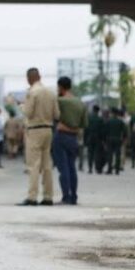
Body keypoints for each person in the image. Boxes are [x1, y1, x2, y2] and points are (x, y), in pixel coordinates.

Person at [19, 68, 60, 206]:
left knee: (34, 165)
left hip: (34, 130)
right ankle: (48, 196)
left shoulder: (32, 92)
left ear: (28, 78)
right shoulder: (51, 92)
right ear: (39, 76)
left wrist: (22, 106)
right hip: (48, 130)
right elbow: (57, 115)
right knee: (47, 164)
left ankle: (32, 197)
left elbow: (28, 113)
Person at [54, 77, 87, 206]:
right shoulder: (80, 103)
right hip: (73, 138)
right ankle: (74, 197)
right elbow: (84, 124)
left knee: (63, 168)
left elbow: (54, 115)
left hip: (61, 136)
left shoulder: (60, 101)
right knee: (72, 167)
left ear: (60, 87)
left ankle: (66, 197)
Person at [103, 108, 127, 175]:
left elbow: (105, 131)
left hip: (109, 139)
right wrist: (124, 139)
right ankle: (117, 170)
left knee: (110, 155)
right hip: (118, 139)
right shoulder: (120, 122)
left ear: (112, 113)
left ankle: (109, 170)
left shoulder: (108, 121)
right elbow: (125, 131)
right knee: (118, 155)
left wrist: (104, 141)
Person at [84, 105, 103, 174]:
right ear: (98, 111)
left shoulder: (89, 118)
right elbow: (102, 130)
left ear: (93, 110)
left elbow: (86, 129)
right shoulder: (100, 119)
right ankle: (97, 168)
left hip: (90, 137)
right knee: (97, 153)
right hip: (98, 138)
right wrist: (102, 139)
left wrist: (85, 139)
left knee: (90, 153)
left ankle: (90, 168)